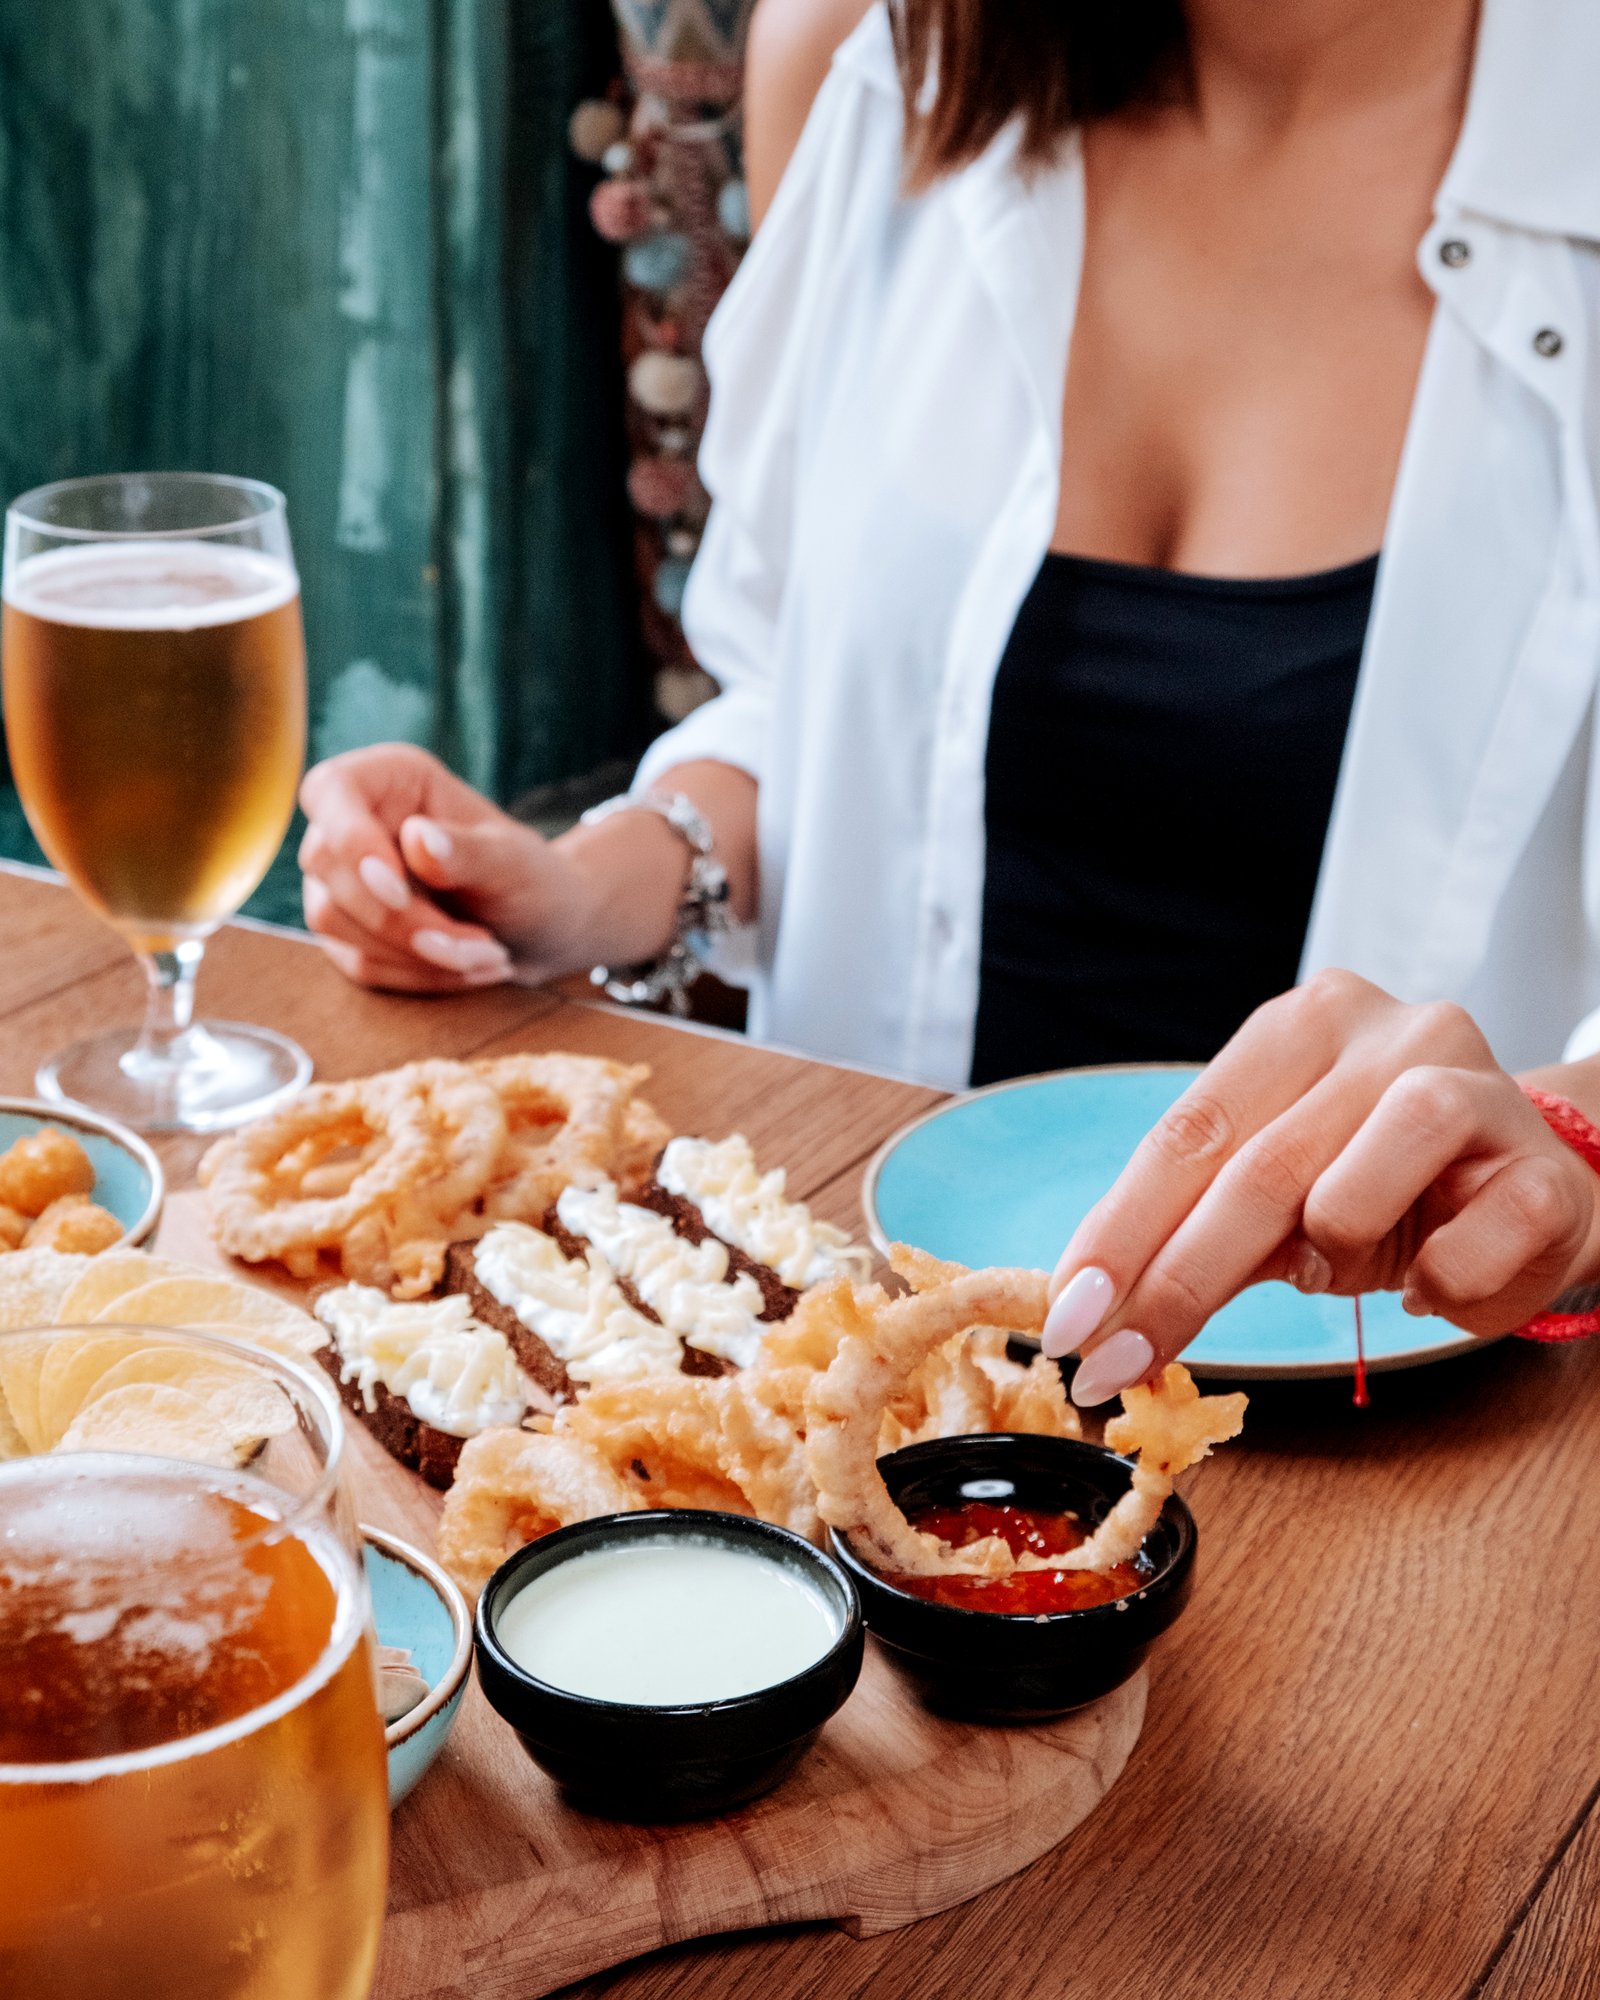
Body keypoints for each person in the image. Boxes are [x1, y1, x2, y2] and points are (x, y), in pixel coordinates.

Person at [298, 0, 1600, 1402]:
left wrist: (1562, 1142)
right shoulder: (873, 54)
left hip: (1418, 1424)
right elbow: (804, 694)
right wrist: (593, 882)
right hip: (863, 1367)